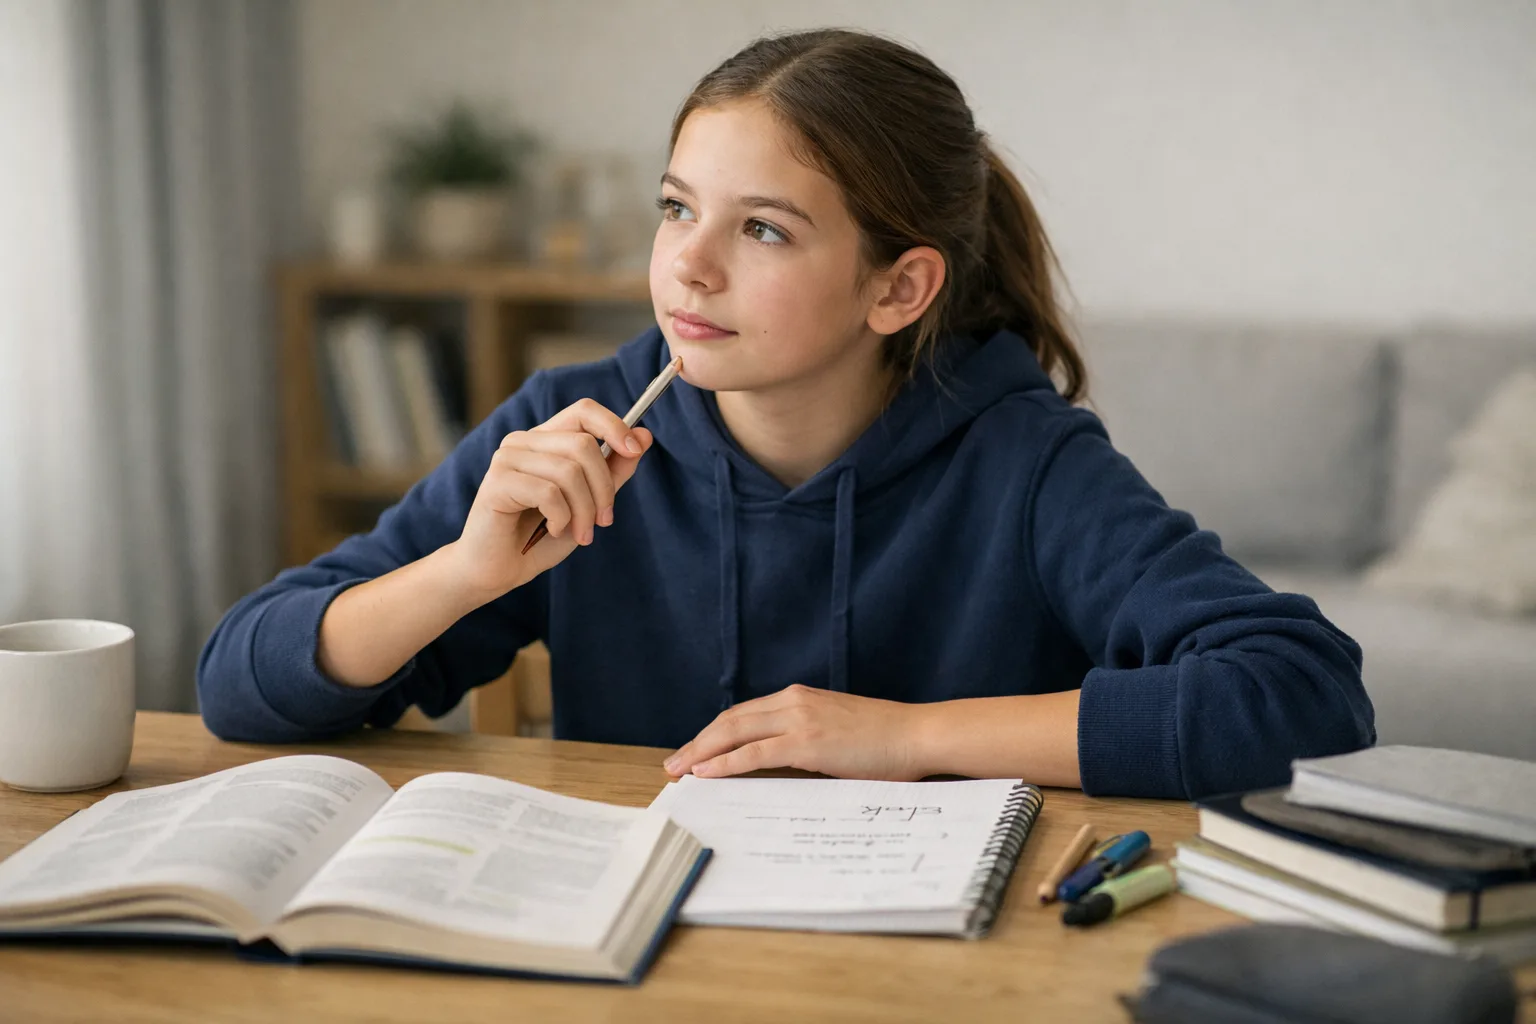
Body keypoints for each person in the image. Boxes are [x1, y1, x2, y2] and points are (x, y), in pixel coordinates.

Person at [198, 29, 1374, 800]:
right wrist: (461, 574)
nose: (689, 266)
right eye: (677, 208)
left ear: (897, 288)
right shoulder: (571, 425)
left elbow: (1306, 697)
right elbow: (238, 686)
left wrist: (908, 738)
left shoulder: (1023, 460)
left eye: (762, 228)